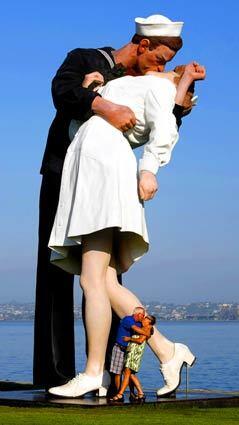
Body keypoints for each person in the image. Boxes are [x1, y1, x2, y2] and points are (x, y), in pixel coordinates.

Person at [33, 13, 186, 389]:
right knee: (72, 274)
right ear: (143, 45)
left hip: (103, 177)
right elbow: (63, 94)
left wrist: (151, 163)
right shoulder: (86, 59)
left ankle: (102, 370)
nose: (161, 67)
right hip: (64, 173)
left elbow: (159, 126)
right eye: (160, 59)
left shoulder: (147, 84)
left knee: (98, 277)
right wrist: (100, 100)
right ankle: (61, 369)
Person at [110, 315, 156, 402]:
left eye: (145, 318)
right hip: (132, 351)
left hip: (134, 353)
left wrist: (129, 338)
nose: (143, 318)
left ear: (149, 321)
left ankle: (120, 394)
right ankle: (140, 393)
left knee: (127, 373)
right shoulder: (144, 327)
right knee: (131, 374)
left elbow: (140, 340)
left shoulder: (147, 328)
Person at [109, 307, 147, 393]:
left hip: (130, 351)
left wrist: (147, 329)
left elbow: (149, 329)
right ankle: (118, 392)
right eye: (143, 315)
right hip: (120, 348)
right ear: (138, 314)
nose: (143, 317)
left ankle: (131, 393)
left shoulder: (140, 323)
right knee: (118, 373)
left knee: (129, 373)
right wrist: (146, 333)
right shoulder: (128, 319)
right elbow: (135, 329)